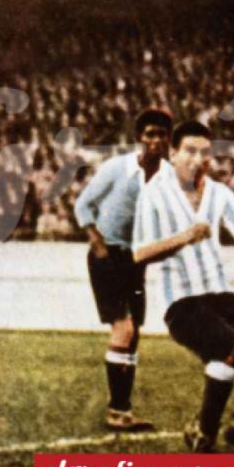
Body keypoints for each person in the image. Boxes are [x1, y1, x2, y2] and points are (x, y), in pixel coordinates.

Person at [132, 120, 234, 453]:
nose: (198, 159)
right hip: (183, 304)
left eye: (205, 152)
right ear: (172, 154)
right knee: (231, 350)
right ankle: (205, 432)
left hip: (221, 296)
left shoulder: (220, 193)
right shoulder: (153, 194)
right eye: (189, 151)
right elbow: (140, 253)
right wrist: (185, 237)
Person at [73, 108, 173, 431]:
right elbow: (82, 204)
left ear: (168, 139)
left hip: (135, 259)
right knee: (124, 328)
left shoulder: (169, 176)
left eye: (161, 134)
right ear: (139, 139)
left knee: (133, 335)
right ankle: (115, 411)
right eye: (149, 135)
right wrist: (98, 244)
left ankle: (123, 411)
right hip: (107, 254)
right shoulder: (117, 167)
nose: (155, 141)